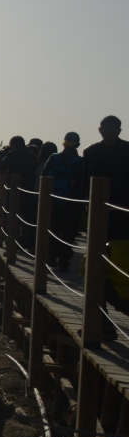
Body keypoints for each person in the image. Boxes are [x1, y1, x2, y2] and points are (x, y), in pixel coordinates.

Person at [83, 116, 129, 325]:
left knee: (121, 269)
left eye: (114, 128)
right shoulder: (90, 152)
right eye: (106, 128)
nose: (109, 132)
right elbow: (84, 184)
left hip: (124, 219)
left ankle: (119, 310)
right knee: (94, 266)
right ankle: (101, 323)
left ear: (119, 130)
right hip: (97, 216)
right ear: (100, 130)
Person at [41, 133, 83, 272]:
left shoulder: (54, 158)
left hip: (52, 202)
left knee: (53, 229)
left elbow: (44, 177)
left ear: (63, 144)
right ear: (77, 145)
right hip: (72, 203)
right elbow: (84, 184)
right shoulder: (80, 162)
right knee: (68, 232)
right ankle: (64, 261)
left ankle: (51, 257)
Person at [0, 136, 39, 248]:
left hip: (14, 189)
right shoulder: (32, 155)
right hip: (29, 190)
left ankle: (11, 244)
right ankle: (27, 243)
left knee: (12, 216)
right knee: (27, 218)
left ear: (13, 145)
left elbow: (0, 167)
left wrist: (0, 156)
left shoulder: (12, 154)